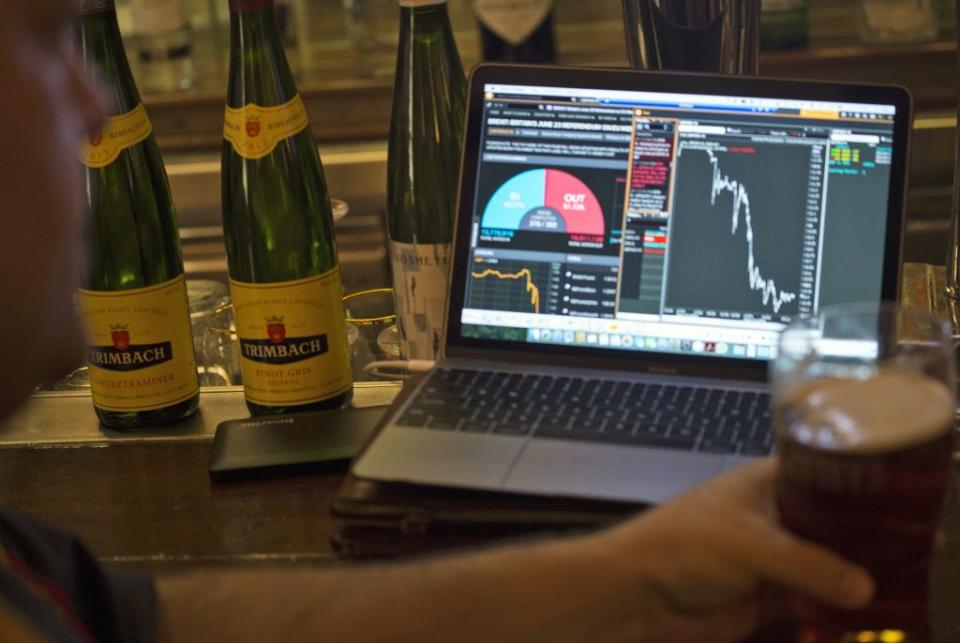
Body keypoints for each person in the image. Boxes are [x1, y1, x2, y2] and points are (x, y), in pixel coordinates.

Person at [0, 1, 875, 641]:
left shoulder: (25, 569)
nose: (92, 102)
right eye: (43, 41)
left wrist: (633, 569)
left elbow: (145, 622)